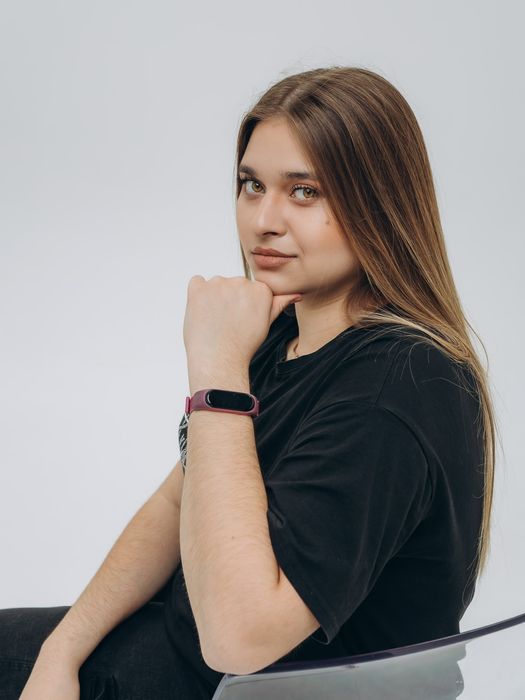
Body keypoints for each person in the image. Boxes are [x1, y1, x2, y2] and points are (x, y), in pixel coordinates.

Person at [0, 66, 497, 700]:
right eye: (252, 184)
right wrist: (61, 651)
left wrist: (217, 374)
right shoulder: (283, 334)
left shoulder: (394, 387)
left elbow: (239, 639)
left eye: (304, 191)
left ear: (379, 203)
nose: (263, 219)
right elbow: (177, 502)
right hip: (182, 659)